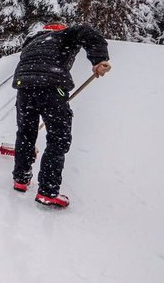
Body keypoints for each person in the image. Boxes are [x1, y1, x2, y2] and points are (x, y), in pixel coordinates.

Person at [10, 22, 111, 208]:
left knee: (26, 133)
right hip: (51, 87)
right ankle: (47, 191)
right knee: (58, 138)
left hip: (24, 87)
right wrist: (99, 59)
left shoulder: (32, 42)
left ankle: (21, 179)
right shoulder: (65, 35)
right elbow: (86, 31)